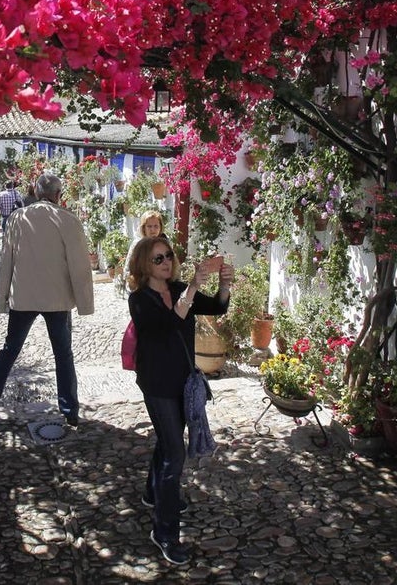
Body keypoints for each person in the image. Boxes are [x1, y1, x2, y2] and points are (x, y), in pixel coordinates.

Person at [126, 238, 232, 566]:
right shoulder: (140, 300)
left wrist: (224, 285)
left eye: (169, 256)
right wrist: (190, 291)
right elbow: (167, 325)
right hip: (157, 384)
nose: (166, 262)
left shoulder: (182, 288)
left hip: (182, 382)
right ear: (145, 264)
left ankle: (152, 493)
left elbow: (216, 307)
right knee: (175, 452)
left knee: (168, 441)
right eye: (158, 258)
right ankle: (165, 532)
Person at [0, 172, 94, 426]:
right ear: (58, 195)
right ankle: (69, 410)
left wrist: (1, 300)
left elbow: (7, 261)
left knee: (9, 350)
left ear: (35, 191)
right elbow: (79, 266)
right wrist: (85, 304)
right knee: (63, 354)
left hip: (24, 297)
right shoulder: (68, 220)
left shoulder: (19, 219)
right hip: (57, 299)